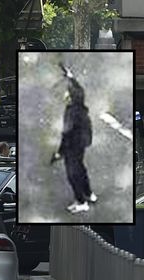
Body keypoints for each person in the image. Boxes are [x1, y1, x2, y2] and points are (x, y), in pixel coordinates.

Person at [51, 63, 96, 214]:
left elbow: (66, 133)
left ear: (70, 98)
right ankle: (89, 194)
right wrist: (71, 77)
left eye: (66, 94)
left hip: (73, 145)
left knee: (72, 174)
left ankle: (81, 201)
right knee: (81, 168)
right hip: (82, 143)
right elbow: (79, 89)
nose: (64, 95)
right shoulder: (80, 104)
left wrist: (59, 152)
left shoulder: (71, 112)